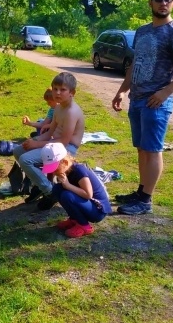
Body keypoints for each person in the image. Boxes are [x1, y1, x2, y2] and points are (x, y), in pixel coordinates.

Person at [111, 0, 173, 215]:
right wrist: (122, 89)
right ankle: (141, 192)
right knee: (142, 149)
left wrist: (166, 92)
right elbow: (135, 64)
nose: (163, 3)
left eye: (167, 0)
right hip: (137, 99)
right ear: (150, 3)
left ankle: (145, 201)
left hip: (156, 102)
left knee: (152, 150)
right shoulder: (142, 31)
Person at [13, 72, 85, 210]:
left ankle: (50, 192)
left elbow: (63, 142)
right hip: (54, 143)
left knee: (25, 160)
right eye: (55, 89)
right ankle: (40, 184)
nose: (57, 93)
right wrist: (33, 140)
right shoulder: (58, 107)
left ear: (72, 92)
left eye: (62, 89)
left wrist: (37, 144)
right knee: (19, 150)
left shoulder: (71, 112)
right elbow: (49, 133)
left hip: (67, 149)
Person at [40, 142, 111, 238]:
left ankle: (84, 226)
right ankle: (75, 219)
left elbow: (88, 194)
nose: (53, 172)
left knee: (67, 195)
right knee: (57, 189)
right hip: (87, 204)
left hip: (98, 210)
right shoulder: (65, 170)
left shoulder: (79, 170)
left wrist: (68, 186)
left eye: (54, 169)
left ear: (64, 162)